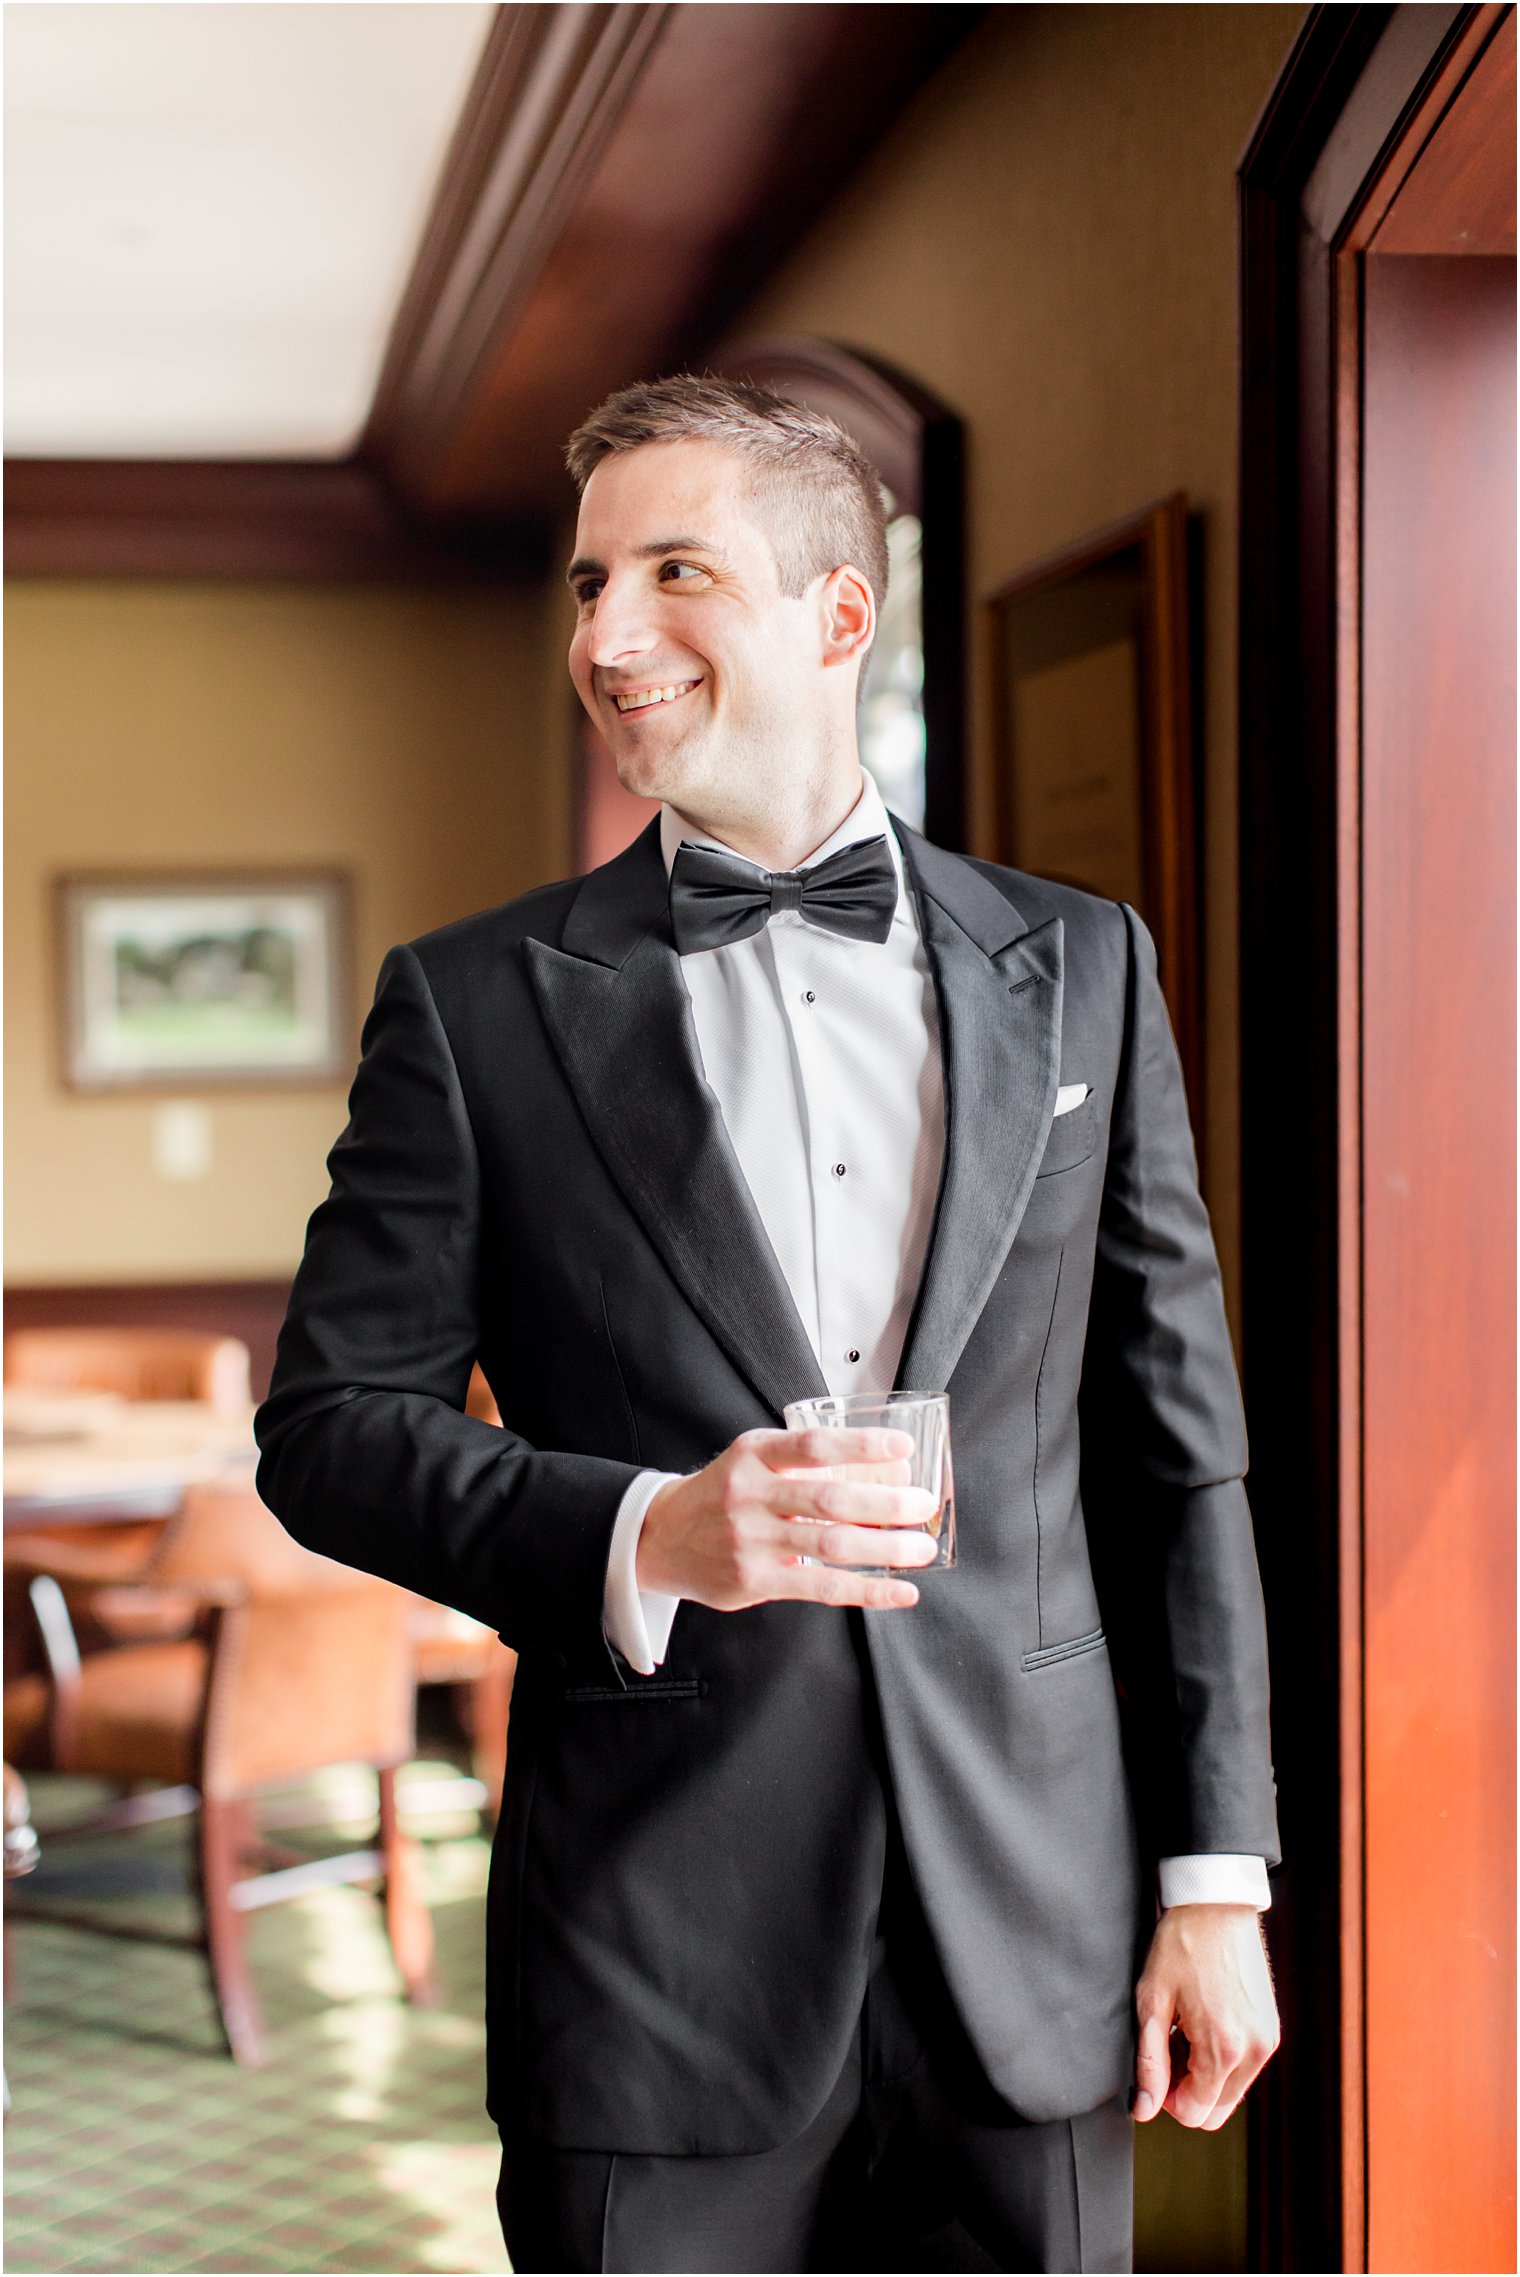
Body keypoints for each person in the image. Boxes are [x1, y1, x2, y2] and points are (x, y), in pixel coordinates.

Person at [256, 375, 1280, 2274]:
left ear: (836, 613)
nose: (605, 636)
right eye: (587, 584)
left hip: (1036, 1945)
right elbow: (326, 1427)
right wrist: (652, 1529)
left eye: (672, 573)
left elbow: (1176, 1450)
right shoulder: (473, 1007)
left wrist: (1214, 1880)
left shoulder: (1086, 968)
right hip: (658, 1962)